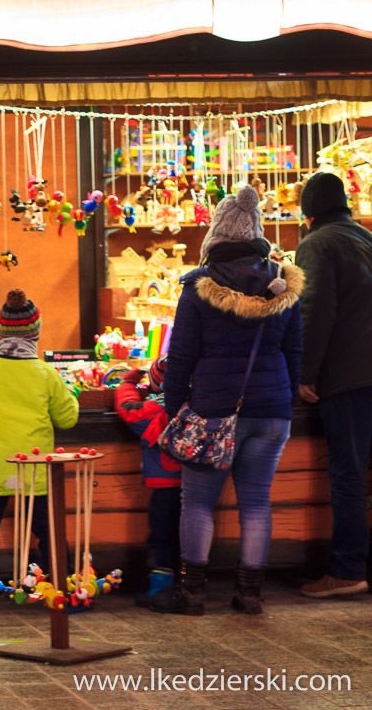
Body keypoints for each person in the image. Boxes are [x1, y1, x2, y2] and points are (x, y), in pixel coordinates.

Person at [155, 186, 303, 616]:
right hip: (272, 412)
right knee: (256, 499)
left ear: (216, 236)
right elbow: (294, 351)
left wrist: (176, 408)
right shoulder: (283, 286)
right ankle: (250, 594)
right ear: (256, 234)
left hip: (213, 410)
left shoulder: (200, 288)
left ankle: (193, 592)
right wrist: (284, 399)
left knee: (198, 501)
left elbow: (181, 356)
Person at [0, 288, 79, 612]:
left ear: (0, 331)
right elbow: (68, 417)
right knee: (48, 532)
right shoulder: (45, 373)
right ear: (36, 332)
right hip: (34, 469)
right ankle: (62, 591)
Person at [295, 172, 372, 598]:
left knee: (348, 475)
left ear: (308, 214)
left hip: (348, 378)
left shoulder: (316, 244)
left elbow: (314, 312)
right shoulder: (365, 238)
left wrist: (306, 374)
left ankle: (346, 569)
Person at [113, 356, 181, 604]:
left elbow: (128, 409)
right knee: (189, 535)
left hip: (164, 486)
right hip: (199, 485)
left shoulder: (152, 410)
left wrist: (128, 383)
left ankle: (160, 590)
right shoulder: (197, 405)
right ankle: (190, 584)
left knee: (162, 536)